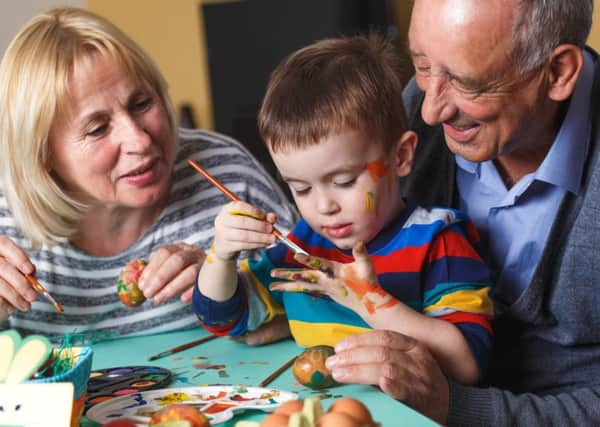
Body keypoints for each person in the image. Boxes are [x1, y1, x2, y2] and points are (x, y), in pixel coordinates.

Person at [320, 0, 600, 425]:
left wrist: (457, 407)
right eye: (421, 65)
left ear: (558, 73)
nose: (430, 111)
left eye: (466, 83)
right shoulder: (421, 107)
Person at [193, 34, 494, 385]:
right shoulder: (303, 247)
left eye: (345, 181)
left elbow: (468, 365)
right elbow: (226, 319)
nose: (323, 207)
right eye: (301, 188)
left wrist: (370, 301)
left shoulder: (438, 242)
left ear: (400, 156)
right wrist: (221, 256)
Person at [0, 7, 297, 340]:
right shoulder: (5, 221)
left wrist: (226, 285)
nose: (140, 140)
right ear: (42, 154)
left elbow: (324, 286)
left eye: (141, 103)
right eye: (97, 128)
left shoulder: (223, 171)